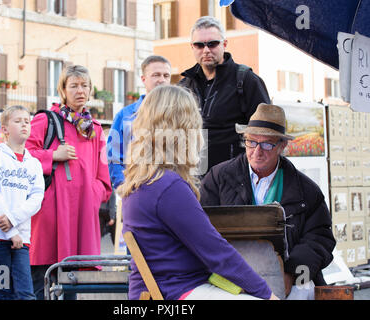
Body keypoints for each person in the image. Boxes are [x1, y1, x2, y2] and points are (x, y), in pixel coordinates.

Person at [118, 85, 278, 300]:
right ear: (182, 129)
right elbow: (217, 253)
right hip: (177, 291)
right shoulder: (167, 186)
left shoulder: (142, 181)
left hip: (158, 290)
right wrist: (267, 294)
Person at [200, 103, 336, 300]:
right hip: (230, 273)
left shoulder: (307, 191)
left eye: (267, 144)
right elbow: (201, 228)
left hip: (287, 272)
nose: (257, 151)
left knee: (303, 290)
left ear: (282, 146)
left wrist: (292, 273)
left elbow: (320, 238)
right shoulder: (218, 178)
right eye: (251, 142)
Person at [26, 65, 112, 299]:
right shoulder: (45, 120)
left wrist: (91, 196)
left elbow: (104, 179)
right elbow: (23, 154)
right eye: (73, 85)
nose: (80, 90)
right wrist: (53, 155)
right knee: (42, 278)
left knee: (71, 279)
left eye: (84, 85)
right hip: (49, 213)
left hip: (80, 216)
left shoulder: (94, 129)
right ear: (63, 90)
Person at [179, 16, 271, 173]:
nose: (206, 50)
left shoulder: (246, 80)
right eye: (199, 45)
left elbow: (267, 131)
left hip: (234, 176)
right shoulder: (184, 86)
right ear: (192, 47)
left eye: (212, 44)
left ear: (224, 44)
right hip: (193, 176)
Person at [0, 105, 45, 300]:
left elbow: (36, 198)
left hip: (21, 242)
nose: (24, 125)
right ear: (5, 129)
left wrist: (13, 219)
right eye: (18, 121)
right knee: (4, 293)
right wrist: (10, 231)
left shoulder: (34, 163)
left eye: (27, 121)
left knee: (26, 294)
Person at [107, 55, 171, 189]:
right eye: (156, 75)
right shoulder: (125, 116)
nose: (162, 80)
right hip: (134, 190)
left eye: (166, 75)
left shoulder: (179, 114)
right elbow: (114, 158)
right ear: (143, 79)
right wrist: (126, 186)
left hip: (171, 190)